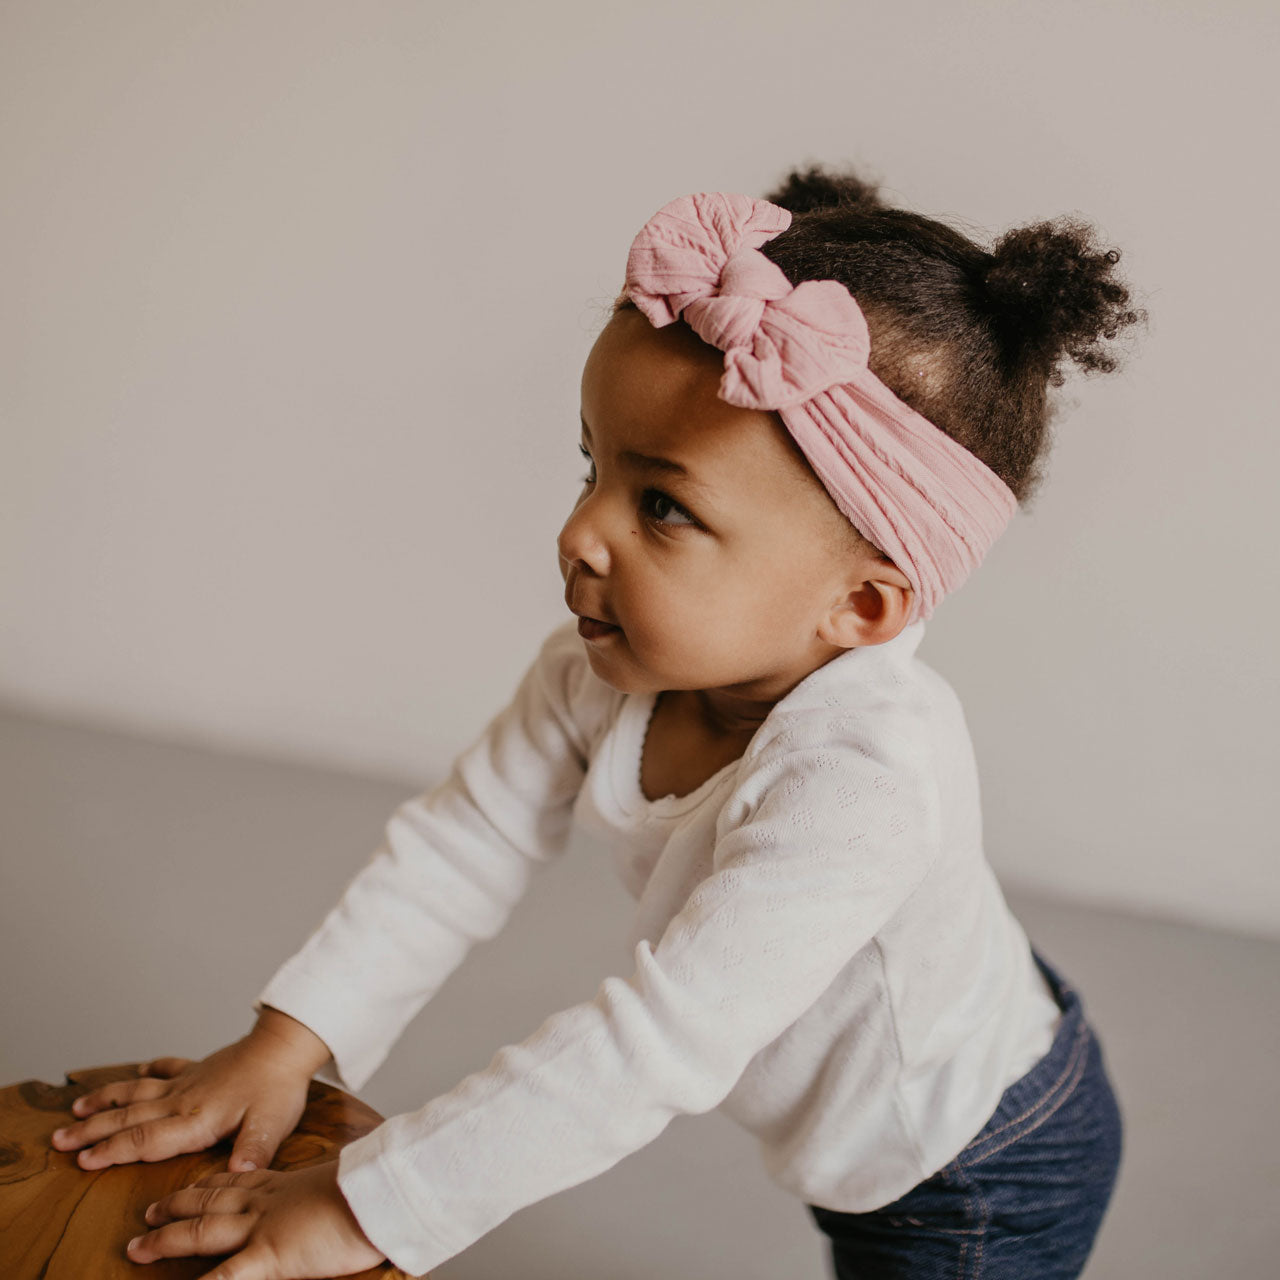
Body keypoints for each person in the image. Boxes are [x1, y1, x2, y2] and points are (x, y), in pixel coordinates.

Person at [50, 165, 1143, 1280]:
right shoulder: (600, 671)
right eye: (592, 465)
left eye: (662, 503)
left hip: (970, 1162)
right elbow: (459, 840)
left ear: (859, 605)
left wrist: (372, 1204)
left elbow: (650, 1046)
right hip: (875, 1106)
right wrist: (293, 1038)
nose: (580, 531)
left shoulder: (861, 783)